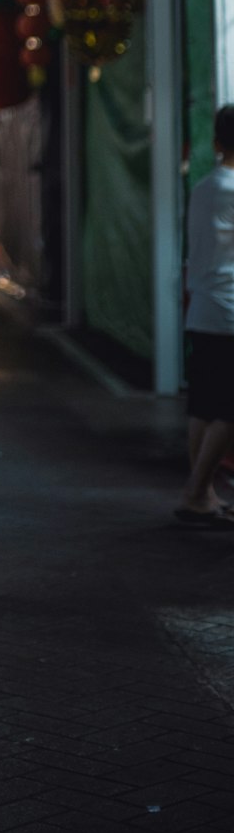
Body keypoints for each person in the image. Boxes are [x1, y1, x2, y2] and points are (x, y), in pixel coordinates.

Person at [175, 105, 234, 528]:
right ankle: (196, 491)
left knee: (204, 405)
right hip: (231, 309)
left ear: (216, 142)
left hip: (202, 309)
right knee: (228, 411)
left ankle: (204, 493)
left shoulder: (204, 186)